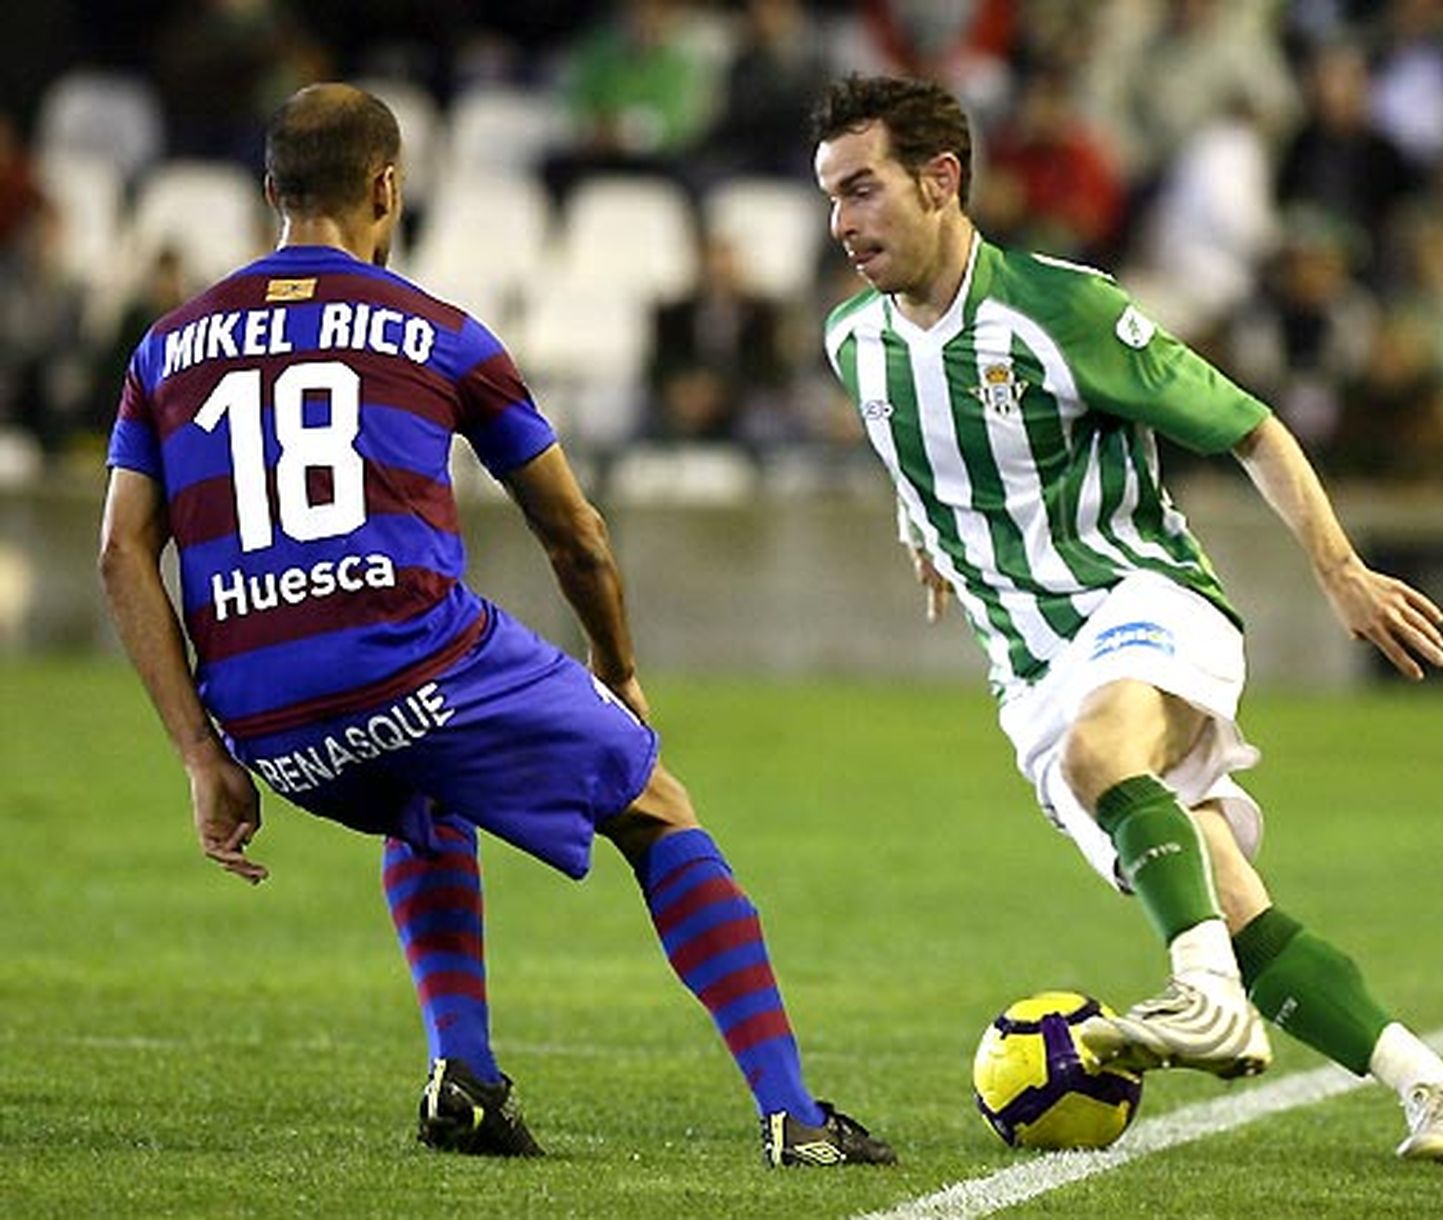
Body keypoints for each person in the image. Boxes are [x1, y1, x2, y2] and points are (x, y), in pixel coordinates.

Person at [97, 82, 894, 1169]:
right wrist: (617, 668)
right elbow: (575, 533)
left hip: (264, 718)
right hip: (412, 659)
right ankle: (795, 1116)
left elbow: (121, 551)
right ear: (387, 188)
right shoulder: (440, 334)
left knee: (423, 798)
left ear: (271, 190)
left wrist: (201, 753)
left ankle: (463, 1075)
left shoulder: (165, 348)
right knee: (654, 802)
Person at [809, 74, 1443, 1163]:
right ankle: (1441, 1089)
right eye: (830, 197)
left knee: (1107, 757)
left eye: (862, 189)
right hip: (1030, 675)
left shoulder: (1061, 310)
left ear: (940, 180)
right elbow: (922, 459)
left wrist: (1339, 569)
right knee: (1238, 912)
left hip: (1143, 598)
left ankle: (1201, 995)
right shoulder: (852, 341)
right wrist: (926, 539)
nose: (841, 223)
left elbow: (1249, 426)